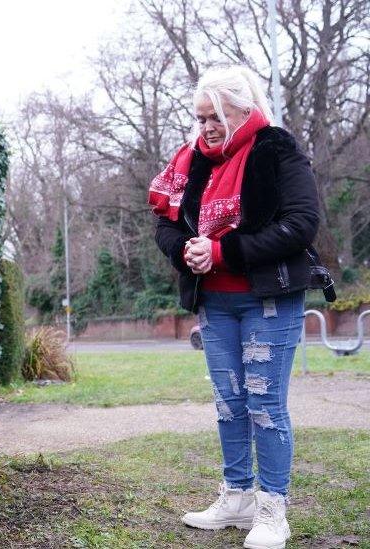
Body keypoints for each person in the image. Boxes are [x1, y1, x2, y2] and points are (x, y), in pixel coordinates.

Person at [149, 65, 320, 549]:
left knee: (265, 404)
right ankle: (238, 496)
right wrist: (184, 249)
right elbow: (166, 223)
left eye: (216, 116)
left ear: (244, 110)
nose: (206, 127)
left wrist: (224, 251)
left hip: (268, 299)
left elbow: (302, 223)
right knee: (229, 405)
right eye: (200, 117)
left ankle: (273, 511)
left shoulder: (276, 148)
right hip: (215, 303)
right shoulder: (192, 161)